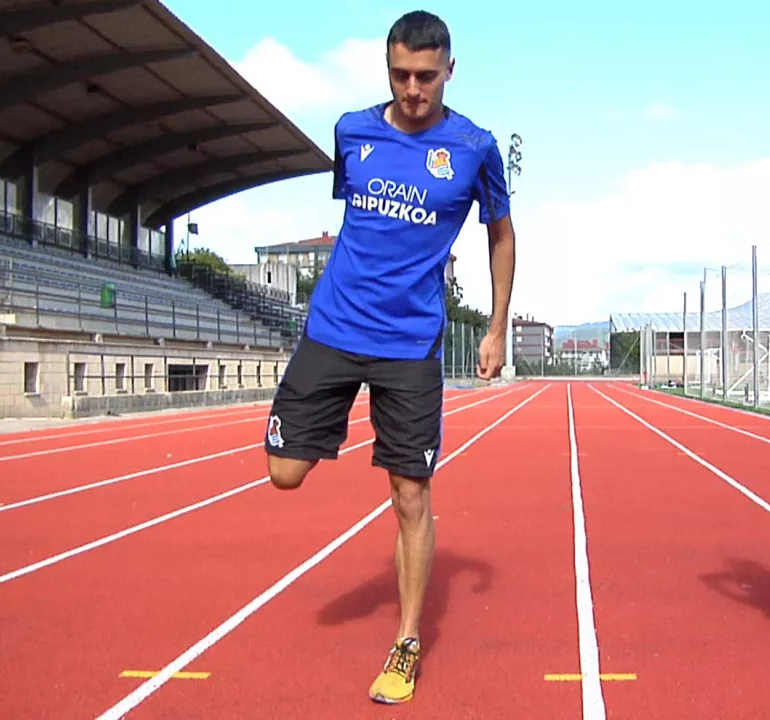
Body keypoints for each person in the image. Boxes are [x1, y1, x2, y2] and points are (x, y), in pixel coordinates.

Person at [261, 10, 515, 706]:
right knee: (284, 473)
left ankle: (406, 642)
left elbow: (500, 236)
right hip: (334, 328)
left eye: (426, 76)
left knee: (410, 494)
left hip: (410, 343)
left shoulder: (475, 148)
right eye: (401, 75)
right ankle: (332, 422)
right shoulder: (352, 131)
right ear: (387, 68)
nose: (413, 89)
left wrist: (496, 328)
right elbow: (357, 223)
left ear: (449, 71)